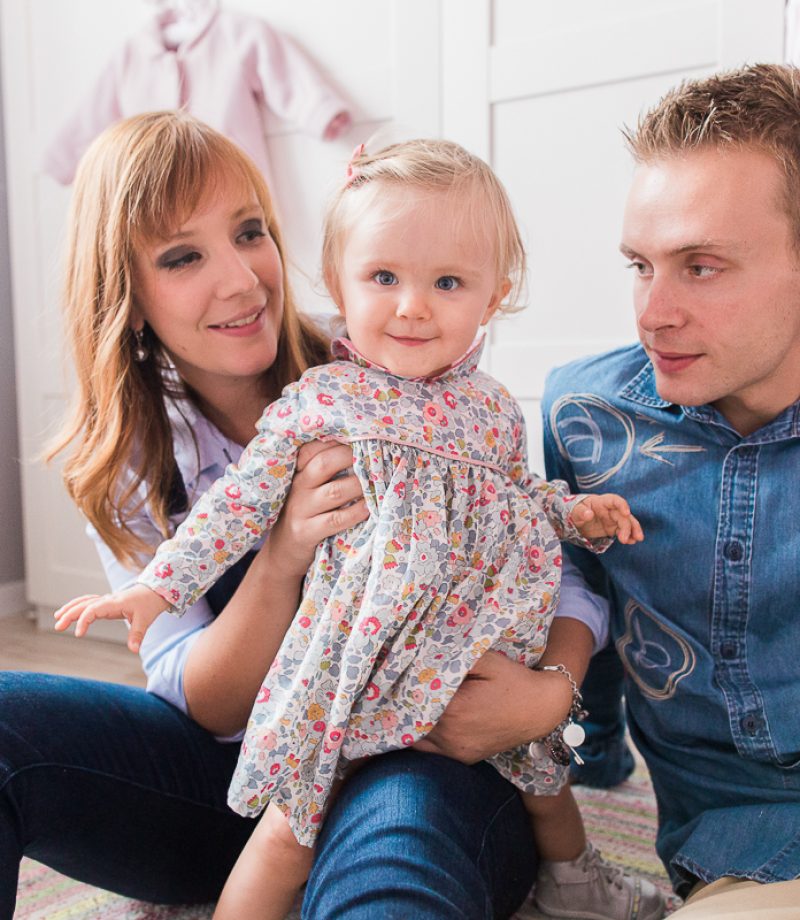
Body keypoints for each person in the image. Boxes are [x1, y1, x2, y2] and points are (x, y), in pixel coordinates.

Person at [0, 109, 631, 920]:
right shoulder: (152, 456)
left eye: (250, 231)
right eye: (184, 256)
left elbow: (525, 539)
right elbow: (209, 707)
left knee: (391, 873)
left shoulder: (402, 368)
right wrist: (282, 554)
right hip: (259, 763)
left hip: (425, 750)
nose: (241, 280)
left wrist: (551, 692)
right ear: (126, 293)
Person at [542, 63, 800, 919]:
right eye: (640, 265)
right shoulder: (585, 419)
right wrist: (583, 755)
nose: (651, 313)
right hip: (736, 849)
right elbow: (586, 614)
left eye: (701, 266)